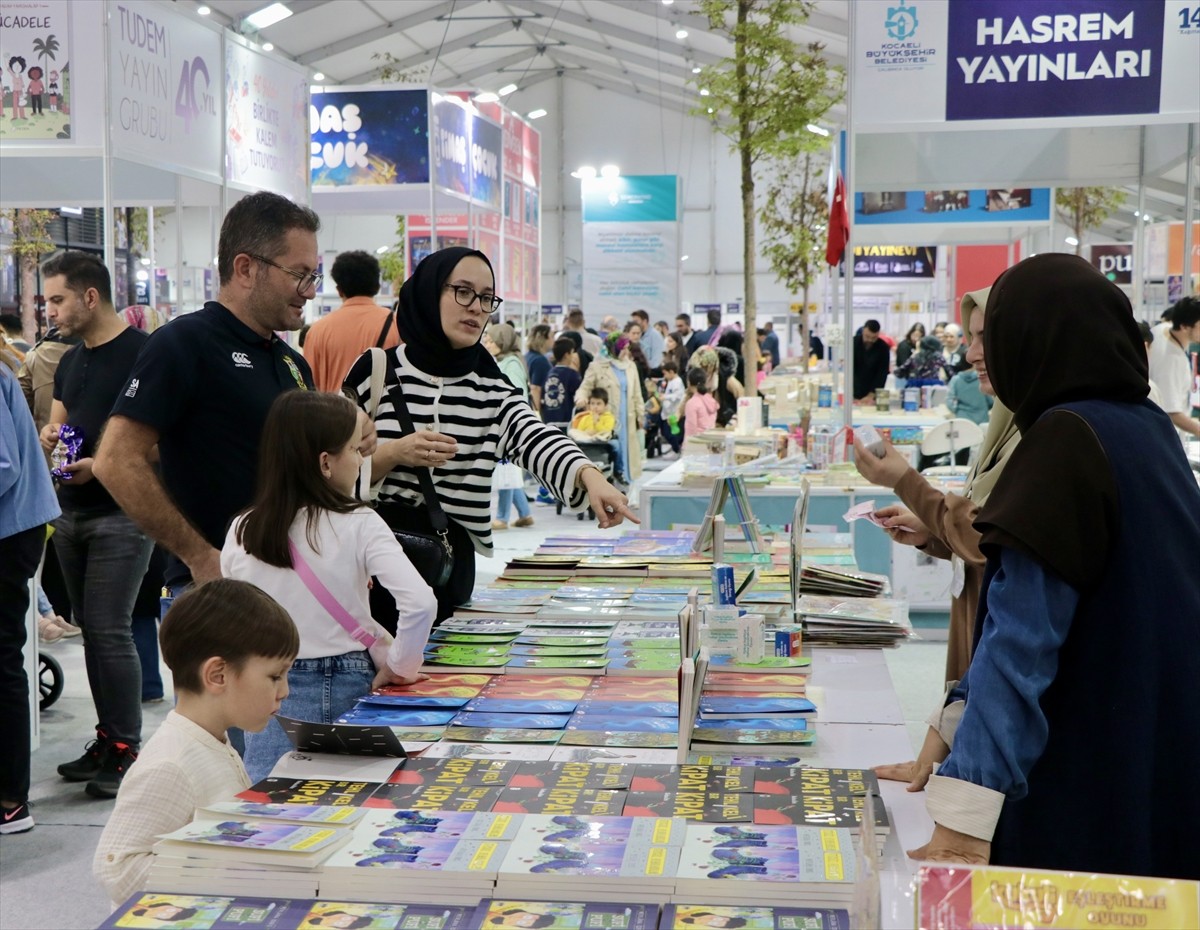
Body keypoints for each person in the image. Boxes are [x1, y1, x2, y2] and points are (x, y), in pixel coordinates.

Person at [908, 253, 1200, 877]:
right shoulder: (1145, 428)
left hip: (1082, 780)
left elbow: (1021, 639)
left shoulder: (1063, 439)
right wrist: (951, 725)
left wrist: (962, 820)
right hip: (1156, 750)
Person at [345, 247, 635, 620]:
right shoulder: (376, 370)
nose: (476, 308)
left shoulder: (491, 388)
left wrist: (589, 475)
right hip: (368, 565)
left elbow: (533, 435)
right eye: (462, 291)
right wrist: (393, 454)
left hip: (446, 572)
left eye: (485, 298)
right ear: (430, 292)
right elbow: (329, 465)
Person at [95, 192, 329, 593]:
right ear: (245, 268)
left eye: (313, 276)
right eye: (299, 274)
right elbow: (115, 460)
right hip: (221, 595)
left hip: (299, 588)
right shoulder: (185, 343)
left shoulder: (291, 361)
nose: (309, 290)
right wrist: (200, 556)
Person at [221, 392, 435, 780]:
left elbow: (235, 618)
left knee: (271, 809)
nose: (360, 460)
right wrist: (403, 665)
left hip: (267, 687)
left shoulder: (243, 529)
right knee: (355, 805)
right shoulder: (359, 522)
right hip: (347, 681)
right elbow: (420, 602)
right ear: (325, 462)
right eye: (355, 449)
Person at [93, 580, 300, 905]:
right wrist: (228, 865)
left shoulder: (212, 740)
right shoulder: (170, 764)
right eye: (275, 676)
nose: (285, 690)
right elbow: (117, 869)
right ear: (218, 675)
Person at [853, 287, 1018, 692]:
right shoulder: (1006, 419)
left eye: (986, 338)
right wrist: (931, 531)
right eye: (971, 337)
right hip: (978, 629)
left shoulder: (1041, 435)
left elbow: (986, 539)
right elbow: (988, 536)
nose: (970, 354)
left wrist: (905, 481)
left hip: (1000, 645)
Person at [38, 252, 154, 799]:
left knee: (110, 631)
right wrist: (51, 439)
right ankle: (108, 739)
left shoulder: (144, 355)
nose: (49, 309)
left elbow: (164, 437)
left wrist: (106, 464)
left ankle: (128, 746)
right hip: (70, 512)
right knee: (92, 631)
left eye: (57, 298)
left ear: (90, 296)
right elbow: (60, 423)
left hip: (122, 514)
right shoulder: (67, 359)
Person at [0, 358, 61, 835]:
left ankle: (10, 801)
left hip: (8, 532)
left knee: (2, 662)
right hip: (16, 526)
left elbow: (3, 465)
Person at [303, 250, 400, 393]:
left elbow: (310, 390)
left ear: (339, 290)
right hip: (386, 414)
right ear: (377, 287)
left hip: (334, 413)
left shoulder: (316, 332)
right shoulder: (398, 325)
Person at [576, 332, 646, 485]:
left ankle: (628, 485)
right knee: (613, 449)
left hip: (627, 419)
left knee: (629, 454)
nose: (627, 352)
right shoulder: (597, 366)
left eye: (628, 348)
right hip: (606, 419)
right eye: (624, 348)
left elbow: (637, 393)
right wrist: (581, 398)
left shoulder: (630, 366)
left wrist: (641, 415)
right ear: (614, 348)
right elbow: (585, 387)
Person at [486, 323, 534, 530]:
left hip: (510, 424)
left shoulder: (511, 364)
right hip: (505, 423)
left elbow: (517, 395)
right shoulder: (504, 361)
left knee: (506, 470)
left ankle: (502, 517)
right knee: (510, 471)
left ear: (502, 342)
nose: (487, 344)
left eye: (491, 341)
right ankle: (525, 513)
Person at [1148, 296, 1200, 440]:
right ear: (1184, 327)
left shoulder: (1161, 330)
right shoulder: (1172, 361)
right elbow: (1172, 413)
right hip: (1165, 435)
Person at [540, 337, 582, 425]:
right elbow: (579, 397)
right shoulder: (573, 375)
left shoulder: (548, 373)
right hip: (566, 423)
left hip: (548, 421)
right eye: (572, 352)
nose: (574, 355)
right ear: (566, 355)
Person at [852, 319, 890, 401]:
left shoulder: (883, 348)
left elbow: (882, 373)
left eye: (874, 338)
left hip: (873, 391)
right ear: (863, 331)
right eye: (867, 336)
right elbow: (850, 370)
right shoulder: (852, 343)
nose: (870, 340)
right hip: (853, 390)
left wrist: (872, 394)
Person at [524, 324, 553, 414]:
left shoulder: (527, 357)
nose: (554, 340)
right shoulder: (540, 361)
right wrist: (536, 414)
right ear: (544, 339)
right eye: (552, 336)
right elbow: (535, 388)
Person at [658, 360, 685, 453]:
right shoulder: (669, 381)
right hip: (666, 412)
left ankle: (677, 449)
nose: (664, 376)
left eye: (665, 374)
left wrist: (665, 397)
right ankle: (675, 448)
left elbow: (678, 396)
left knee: (672, 434)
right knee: (665, 432)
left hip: (673, 412)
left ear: (671, 372)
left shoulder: (678, 382)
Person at [684, 367, 717, 438]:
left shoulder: (692, 403)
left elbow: (691, 430)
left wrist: (685, 447)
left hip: (698, 444)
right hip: (711, 441)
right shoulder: (711, 400)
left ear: (688, 382)